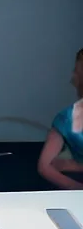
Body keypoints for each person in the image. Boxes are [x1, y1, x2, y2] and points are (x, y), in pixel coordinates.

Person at [38, 49, 83, 190]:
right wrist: (78, 190)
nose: (73, 78)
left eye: (76, 71)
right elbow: (45, 166)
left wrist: (76, 166)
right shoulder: (65, 119)